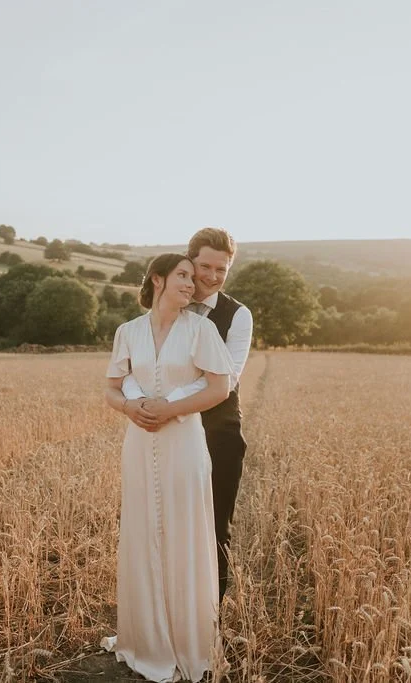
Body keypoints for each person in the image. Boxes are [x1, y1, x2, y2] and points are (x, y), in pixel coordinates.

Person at [101, 253, 236, 683]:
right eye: (182, 275)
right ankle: (145, 640)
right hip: (139, 441)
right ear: (156, 280)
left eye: (192, 278)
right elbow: (111, 385)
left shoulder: (203, 329)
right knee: (142, 532)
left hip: (183, 442)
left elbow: (220, 386)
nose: (192, 283)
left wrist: (170, 408)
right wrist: (129, 408)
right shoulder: (128, 331)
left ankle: (188, 642)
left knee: (184, 533)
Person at [122, 228, 252, 602]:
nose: (211, 277)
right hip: (164, 435)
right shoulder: (161, 311)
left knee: (213, 527)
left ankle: (208, 621)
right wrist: (140, 404)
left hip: (217, 433)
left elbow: (227, 379)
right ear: (188, 262)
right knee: (161, 523)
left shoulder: (237, 316)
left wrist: (168, 406)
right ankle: (165, 614)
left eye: (221, 270)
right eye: (204, 266)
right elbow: (138, 367)